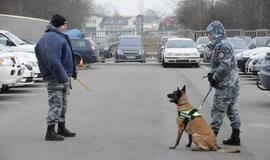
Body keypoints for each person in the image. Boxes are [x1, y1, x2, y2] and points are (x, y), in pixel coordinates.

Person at [35, 14, 77, 141]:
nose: (65, 27)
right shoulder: (53, 38)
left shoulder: (57, 37)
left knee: (63, 104)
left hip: (61, 76)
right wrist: (64, 78)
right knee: (56, 104)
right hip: (55, 78)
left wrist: (72, 73)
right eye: (64, 24)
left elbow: (63, 58)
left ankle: (61, 128)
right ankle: (50, 132)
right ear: (58, 25)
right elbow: (53, 61)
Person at [206, 20, 241, 146]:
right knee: (232, 110)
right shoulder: (220, 44)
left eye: (209, 33)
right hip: (232, 85)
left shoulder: (222, 45)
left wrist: (214, 78)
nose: (208, 36)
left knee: (218, 110)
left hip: (226, 86)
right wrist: (212, 74)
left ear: (215, 32)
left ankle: (211, 138)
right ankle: (235, 136)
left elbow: (225, 65)